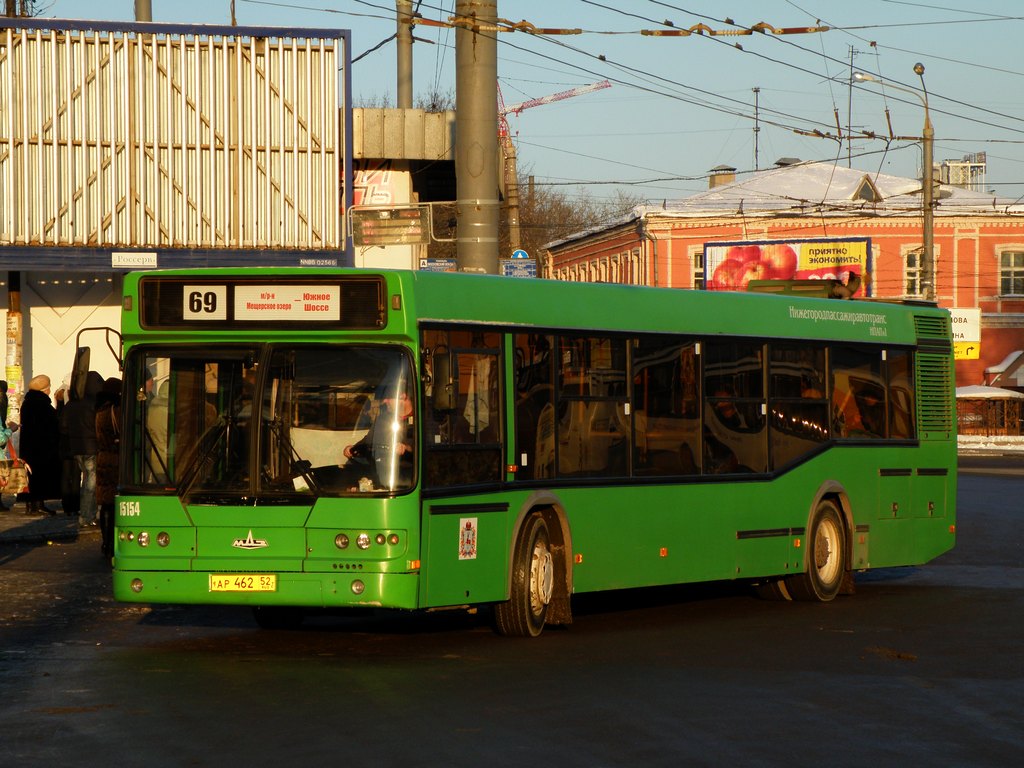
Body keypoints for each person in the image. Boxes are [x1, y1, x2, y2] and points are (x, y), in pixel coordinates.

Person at [342, 388, 415, 491]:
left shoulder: (425, 418)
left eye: (388, 398)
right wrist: (353, 449)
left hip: (407, 482)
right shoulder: (383, 419)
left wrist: (407, 448)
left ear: (402, 396)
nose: (385, 401)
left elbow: (427, 450)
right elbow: (369, 440)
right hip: (380, 479)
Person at [60, 371, 104, 527]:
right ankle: (87, 516)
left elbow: (63, 427)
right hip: (92, 448)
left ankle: (87, 514)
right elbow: (100, 427)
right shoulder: (95, 404)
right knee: (90, 483)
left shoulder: (71, 404)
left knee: (86, 480)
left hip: (76, 448)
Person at [18, 374, 61, 515]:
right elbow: (51, 426)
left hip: (29, 447)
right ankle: (38, 504)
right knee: (40, 477)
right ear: (45, 390)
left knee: (30, 477)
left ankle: (31, 504)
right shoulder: (43, 405)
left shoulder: (27, 403)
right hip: (42, 448)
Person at [95, 377, 122, 558]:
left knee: (106, 504)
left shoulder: (99, 411)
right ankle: (112, 542)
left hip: (102, 458)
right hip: (115, 459)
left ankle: (105, 542)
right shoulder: (116, 411)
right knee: (114, 504)